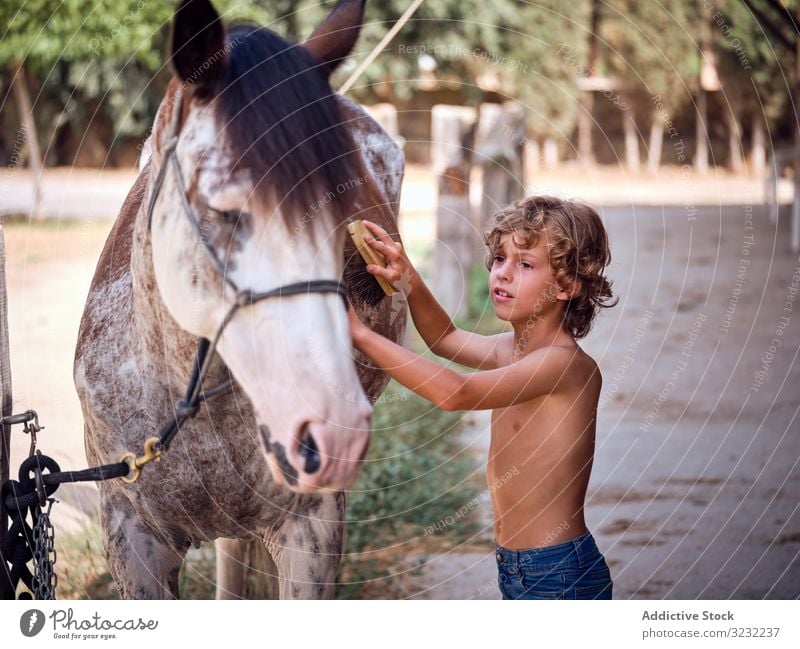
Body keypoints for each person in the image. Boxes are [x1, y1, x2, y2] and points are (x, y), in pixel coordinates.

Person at [347, 195, 618, 599]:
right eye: (499, 259)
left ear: (567, 285)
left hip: (559, 573)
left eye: (524, 264)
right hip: (516, 567)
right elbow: (444, 338)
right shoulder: (511, 348)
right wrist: (410, 280)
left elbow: (455, 393)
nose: (502, 274)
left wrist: (361, 335)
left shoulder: (564, 365)